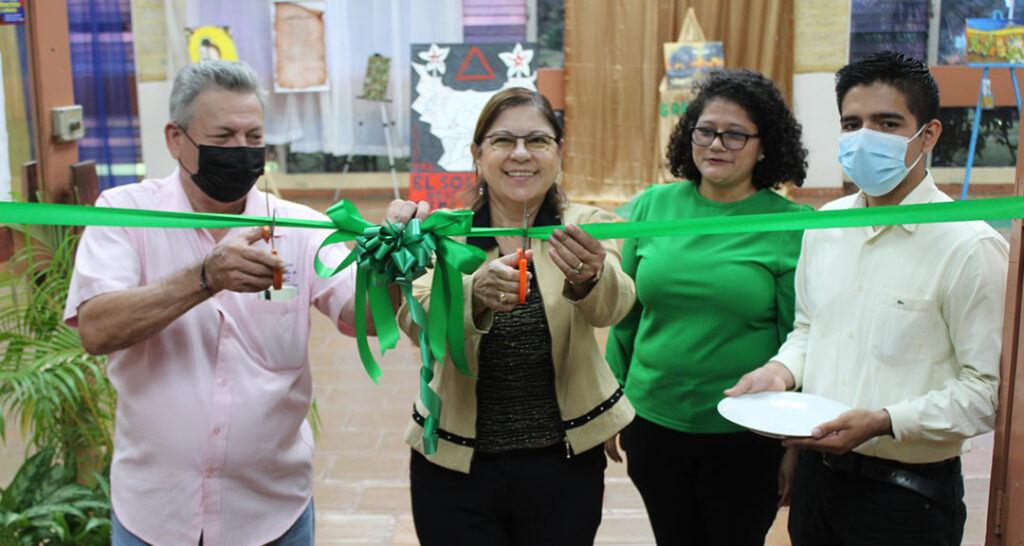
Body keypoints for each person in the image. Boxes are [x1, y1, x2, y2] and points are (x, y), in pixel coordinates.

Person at [63, 60, 424, 546]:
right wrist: (205, 278)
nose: (242, 151)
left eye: (254, 138)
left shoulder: (296, 226)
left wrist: (392, 257)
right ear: (176, 139)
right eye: (224, 136)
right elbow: (96, 328)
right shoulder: (125, 214)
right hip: (155, 512)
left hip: (272, 512)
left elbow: (363, 317)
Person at [726, 50, 1009, 545]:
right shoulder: (827, 226)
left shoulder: (969, 245)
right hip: (819, 481)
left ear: (930, 135)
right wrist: (780, 373)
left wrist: (884, 422)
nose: (864, 139)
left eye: (887, 123)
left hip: (908, 498)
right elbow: (809, 330)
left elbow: (986, 393)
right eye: (852, 123)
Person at [396, 87, 636, 546]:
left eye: (538, 141)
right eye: (504, 140)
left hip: (561, 465)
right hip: (454, 465)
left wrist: (591, 276)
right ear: (477, 154)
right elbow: (415, 320)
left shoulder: (583, 224)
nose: (521, 154)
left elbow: (615, 307)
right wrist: (474, 295)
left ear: (558, 153)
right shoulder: (444, 232)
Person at [605, 69, 810, 545]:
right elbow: (626, 317)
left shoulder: (791, 224)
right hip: (654, 423)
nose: (717, 144)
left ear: (765, 145)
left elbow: (799, 338)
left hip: (747, 433)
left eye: (736, 134)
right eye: (706, 130)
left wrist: (794, 444)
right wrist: (612, 402)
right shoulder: (652, 207)